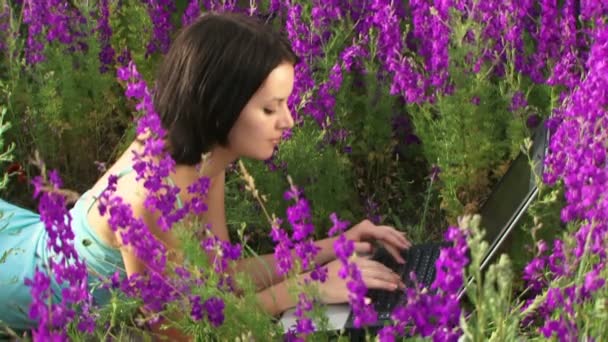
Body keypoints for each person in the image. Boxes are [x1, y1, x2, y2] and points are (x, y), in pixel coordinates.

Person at [0, 12, 410, 339]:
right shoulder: (150, 198)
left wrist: (333, 247)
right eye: (271, 108)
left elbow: (221, 278)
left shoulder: (202, 155)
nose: (289, 120)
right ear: (220, 106)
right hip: (16, 280)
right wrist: (308, 290)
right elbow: (179, 329)